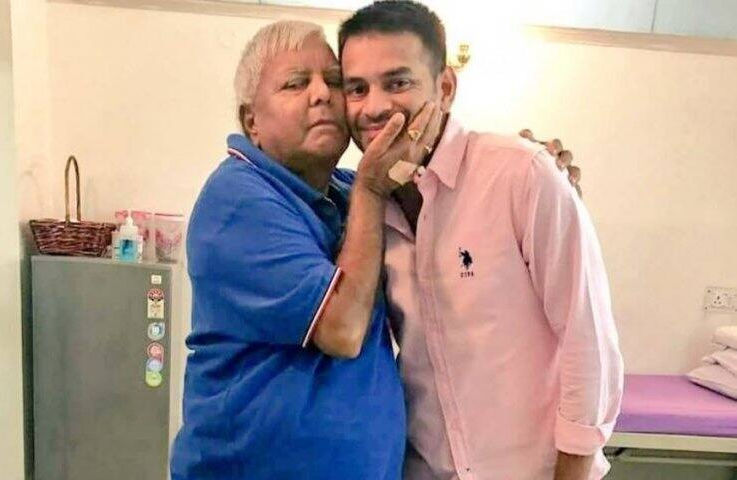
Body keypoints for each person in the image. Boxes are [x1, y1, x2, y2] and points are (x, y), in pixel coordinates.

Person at [337, 2, 624, 479]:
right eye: (357, 88)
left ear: (445, 88)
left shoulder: (519, 175)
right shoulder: (364, 208)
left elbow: (588, 341)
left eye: (398, 82)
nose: (375, 107)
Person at [169, 20, 446, 480]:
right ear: (251, 122)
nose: (322, 95)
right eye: (295, 84)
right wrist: (372, 190)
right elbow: (342, 329)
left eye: (334, 81)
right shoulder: (237, 200)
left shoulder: (344, 191)